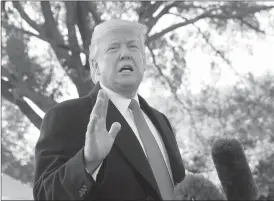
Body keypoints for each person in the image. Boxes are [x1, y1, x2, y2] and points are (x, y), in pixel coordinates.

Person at [33, 19, 185, 200]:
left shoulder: (161, 121)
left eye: (133, 47)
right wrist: (87, 162)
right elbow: (45, 195)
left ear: (144, 62)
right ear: (95, 67)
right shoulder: (66, 116)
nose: (125, 54)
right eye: (113, 48)